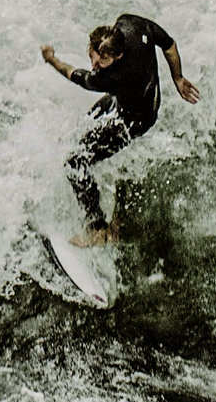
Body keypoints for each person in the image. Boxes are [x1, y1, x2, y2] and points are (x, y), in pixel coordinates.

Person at [39, 15, 199, 248]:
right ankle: (110, 215)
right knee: (85, 128)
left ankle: (97, 230)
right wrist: (178, 77)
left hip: (135, 119)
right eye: (92, 59)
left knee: (74, 163)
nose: (95, 67)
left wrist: (51, 59)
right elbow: (168, 44)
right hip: (134, 97)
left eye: (100, 63)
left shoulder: (111, 77)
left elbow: (73, 74)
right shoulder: (132, 25)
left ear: (118, 56)